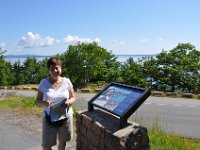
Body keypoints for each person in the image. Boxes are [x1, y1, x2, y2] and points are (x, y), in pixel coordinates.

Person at [36, 56, 76, 150]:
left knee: (62, 142)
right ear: (48, 70)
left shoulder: (67, 82)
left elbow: (73, 97)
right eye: (52, 68)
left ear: (61, 68)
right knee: (46, 145)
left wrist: (69, 102)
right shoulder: (43, 83)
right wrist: (44, 103)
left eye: (57, 68)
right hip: (49, 118)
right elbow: (38, 100)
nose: (54, 70)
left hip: (65, 117)